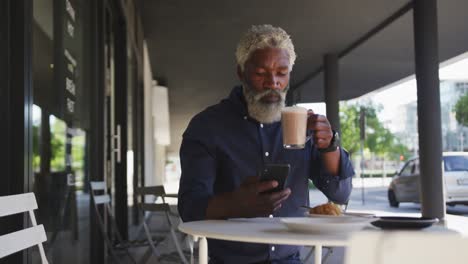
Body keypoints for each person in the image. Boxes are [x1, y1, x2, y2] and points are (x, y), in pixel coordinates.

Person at [178, 24, 354, 264]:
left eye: (282, 73)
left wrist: (329, 147)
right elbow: (190, 208)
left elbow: (340, 194)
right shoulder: (207, 127)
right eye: (261, 73)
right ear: (241, 72)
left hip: (291, 258)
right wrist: (236, 204)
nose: (273, 82)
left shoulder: (301, 123)